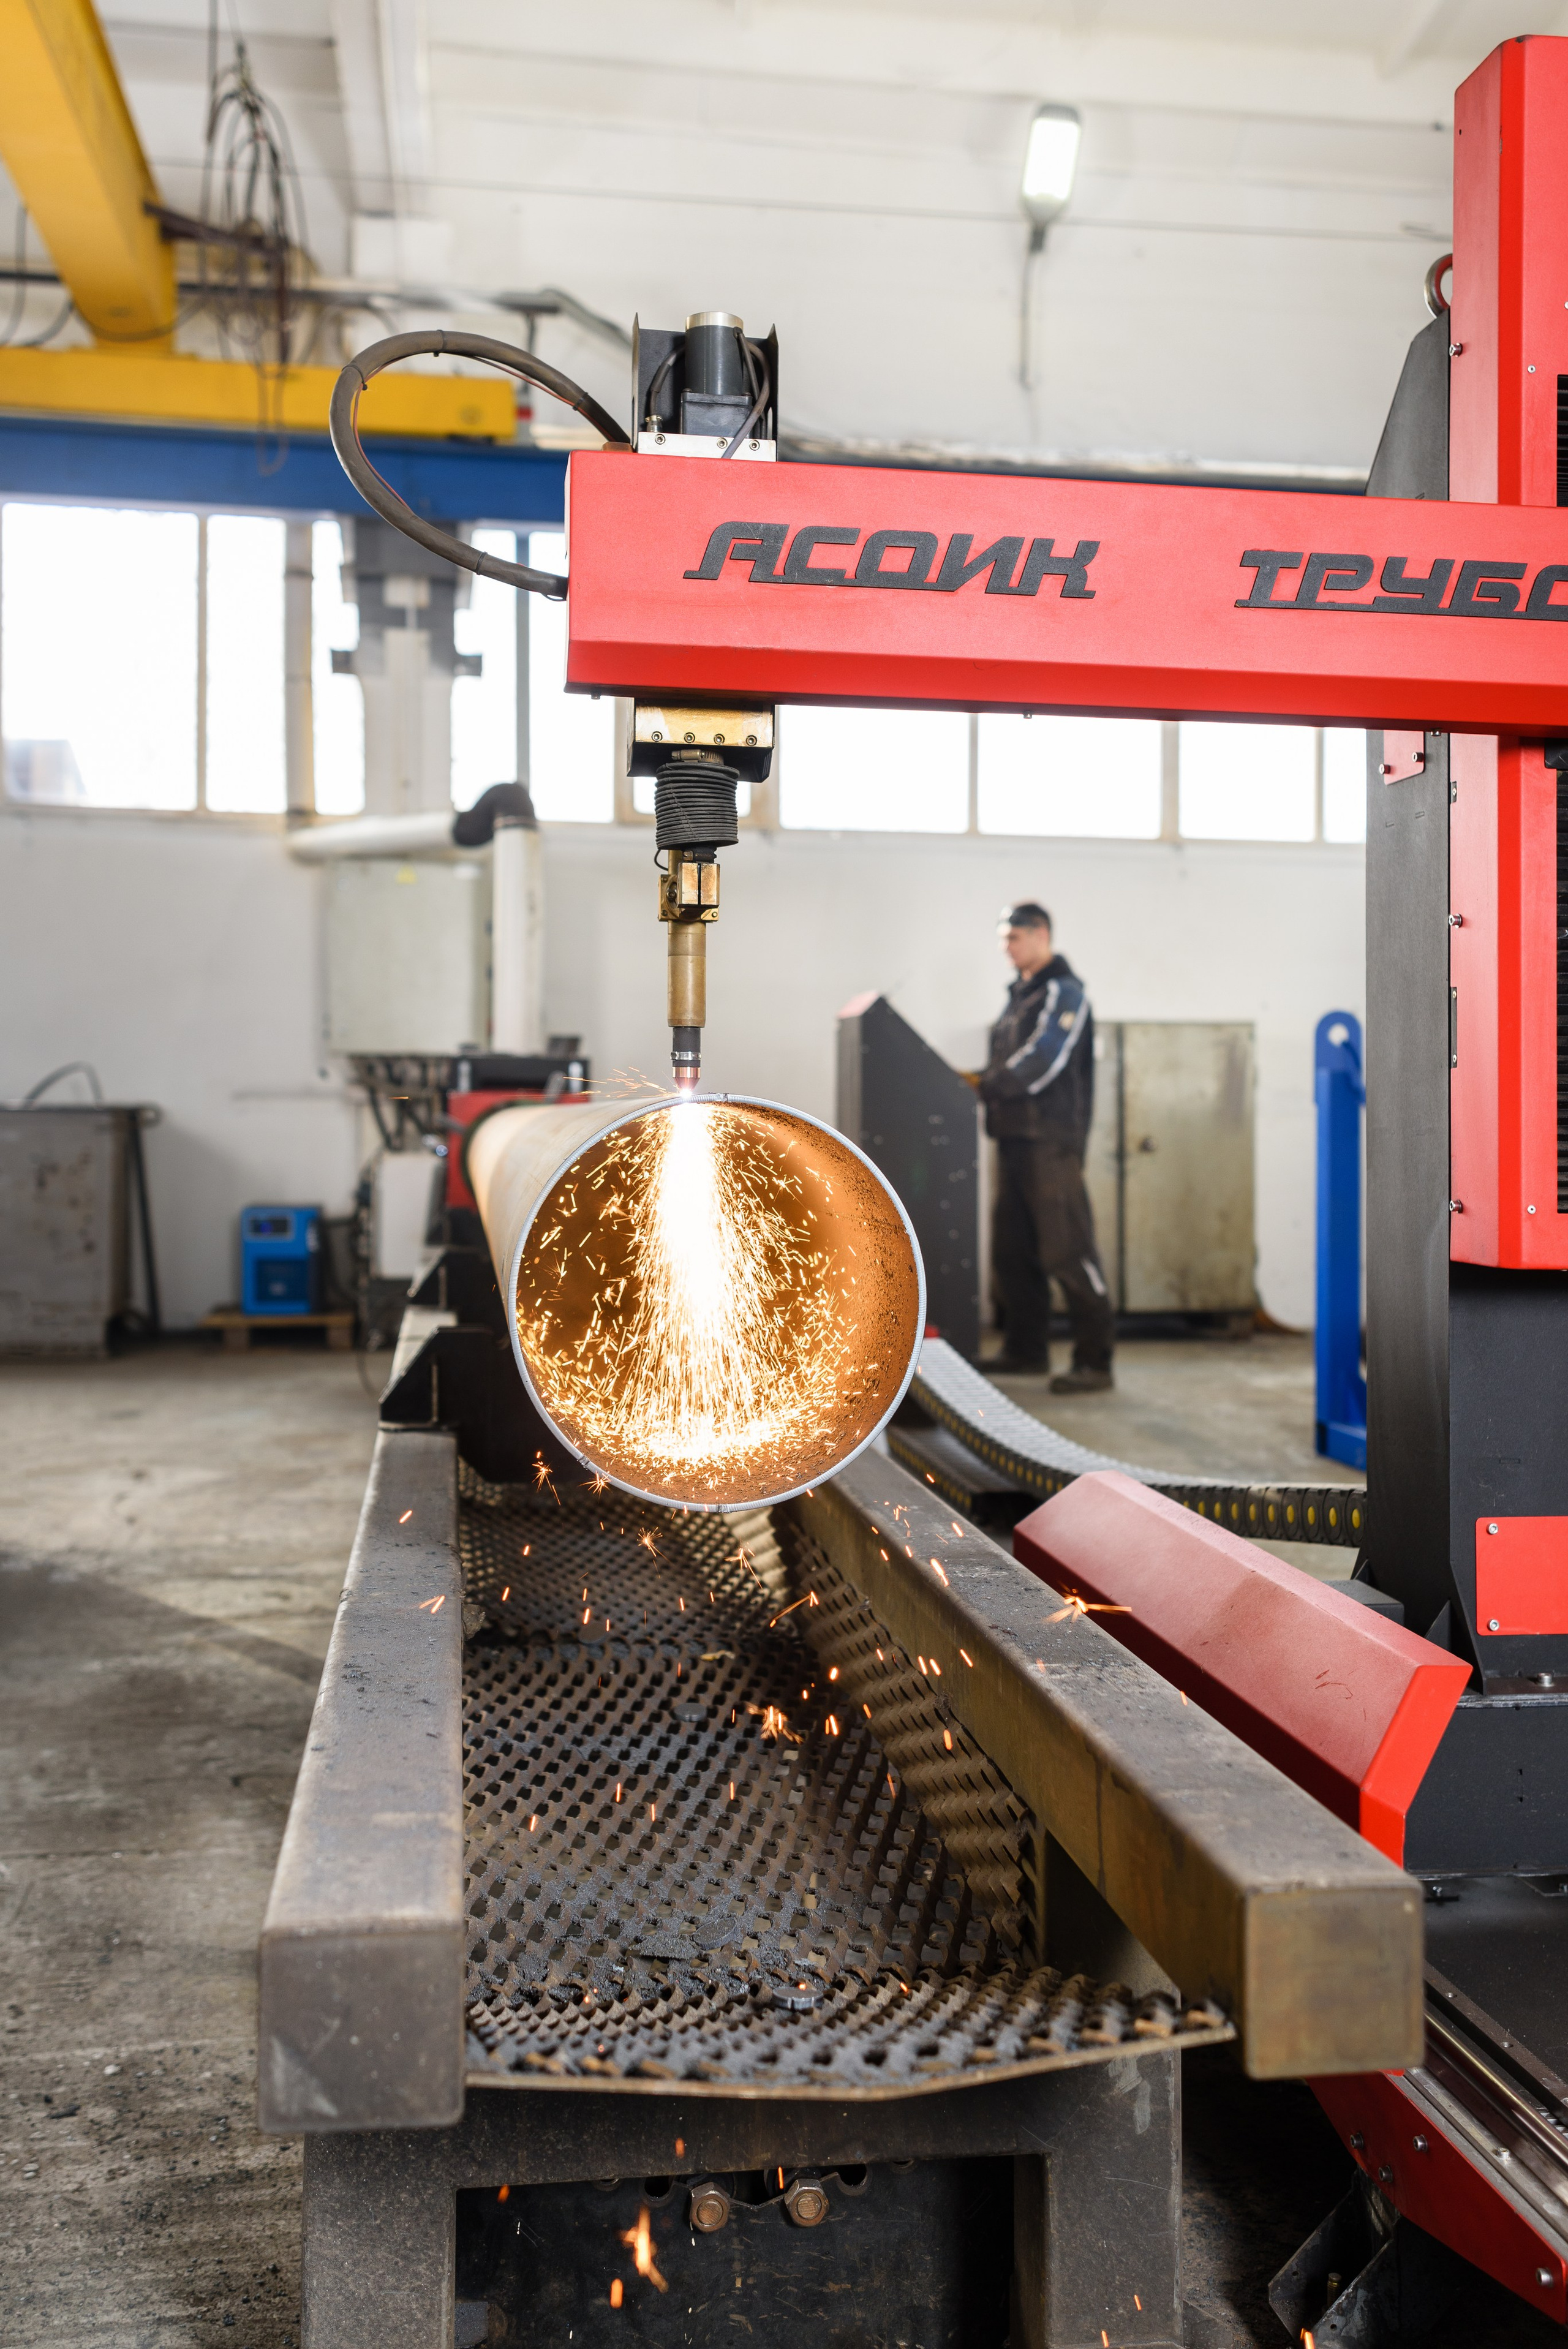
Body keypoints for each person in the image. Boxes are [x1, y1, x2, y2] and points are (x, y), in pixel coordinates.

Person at [979, 901, 1115, 1392]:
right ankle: (1025, 1350)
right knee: (1013, 1251)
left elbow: (1043, 1060)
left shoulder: (1063, 991)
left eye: (1013, 939)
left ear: (1041, 934)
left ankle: (1095, 1360)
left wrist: (986, 1084)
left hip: (1050, 1142)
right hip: (1013, 1138)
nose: (1007, 949)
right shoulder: (1020, 994)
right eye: (1004, 941)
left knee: (1068, 1250)